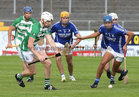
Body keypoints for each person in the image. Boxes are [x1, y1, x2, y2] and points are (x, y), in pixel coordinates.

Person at [77, 15, 134, 88]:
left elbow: (131, 34)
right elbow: (96, 34)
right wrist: (82, 38)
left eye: (109, 23)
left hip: (120, 51)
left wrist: (125, 45)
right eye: (106, 23)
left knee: (114, 69)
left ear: (112, 23)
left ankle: (121, 73)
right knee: (102, 63)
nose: (107, 25)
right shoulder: (102, 27)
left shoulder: (118, 29)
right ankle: (96, 82)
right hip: (111, 48)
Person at [14, 11, 59, 90]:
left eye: (50, 21)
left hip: (35, 46)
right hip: (25, 50)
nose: (49, 23)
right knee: (32, 72)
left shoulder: (45, 28)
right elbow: (29, 45)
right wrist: (38, 56)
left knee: (48, 63)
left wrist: (56, 50)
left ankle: (47, 86)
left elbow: (50, 40)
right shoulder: (36, 28)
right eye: (48, 21)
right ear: (42, 20)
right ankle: (19, 76)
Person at [93, 13, 128, 79]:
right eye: (113, 20)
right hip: (105, 47)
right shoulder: (104, 26)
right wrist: (95, 43)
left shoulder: (119, 28)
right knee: (106, 68)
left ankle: (113, 78)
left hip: (114, 48)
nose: (115, 21)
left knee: (114, 67)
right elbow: (97, 34)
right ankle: (121, 72)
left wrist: (125, 43)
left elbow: (125, 35)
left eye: (116, 20)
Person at [6, 6, 37, 82]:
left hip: (28, 41)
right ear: (24, 14)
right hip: (19, 41)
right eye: (27, 13)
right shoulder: (18, 21)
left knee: (32, 58)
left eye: (30, 13)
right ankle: (28, 77)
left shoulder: (33, 22)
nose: (28, 15)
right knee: (24, 59)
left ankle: (29, 72)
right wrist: (9, 42)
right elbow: (10, 29)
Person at [50, 11, 81, 82]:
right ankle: (62, 76)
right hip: (58, 43)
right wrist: (51, 40)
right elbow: (48, 32)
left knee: (69, 62)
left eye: (67, 18)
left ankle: (71, 75)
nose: (65, 19)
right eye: (64, 18)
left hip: (68, 45)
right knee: (58, 58)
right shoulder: (56, 25)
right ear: (61, 18)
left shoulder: (71, 25)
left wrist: (73, 45)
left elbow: (79, 37)